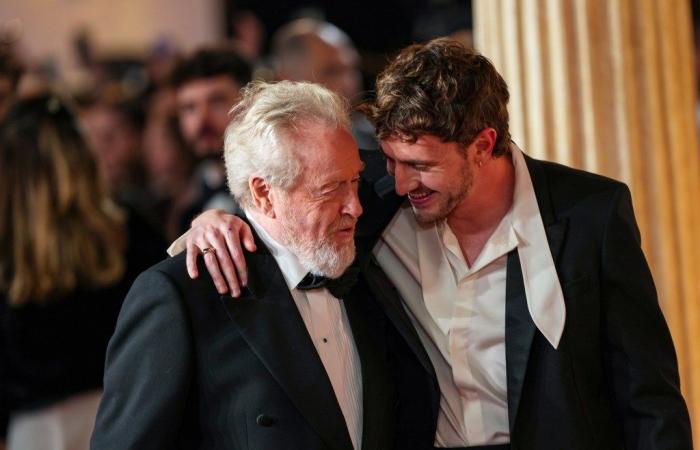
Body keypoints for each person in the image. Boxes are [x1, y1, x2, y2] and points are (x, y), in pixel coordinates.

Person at [178, 38, 692, 449]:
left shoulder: (589, 214)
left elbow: (647, 394)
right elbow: (284, 201)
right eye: (391, 160)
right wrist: (214, 218)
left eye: (421, 165)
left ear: (483, 145)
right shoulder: (377, 197)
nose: (400, 183)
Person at [91, 81, 436, 450]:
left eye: (354, 180)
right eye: (331, 188)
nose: (356, 205)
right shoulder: (182, 297)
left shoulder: (359, 251)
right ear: (263, 193)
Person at [0, 94, 165, 450]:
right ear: (81, 154)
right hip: (120, 409)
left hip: (36, 426)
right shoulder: (128, 227)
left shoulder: (7, 243)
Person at [171, 47, 252, 231]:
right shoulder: (188, 197)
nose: (202, 120)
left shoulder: (274, 186)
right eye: (189, 108)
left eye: (216, 102)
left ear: (248, 104)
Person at [270, 18, 377, 150]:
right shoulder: (265, 150)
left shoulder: (379, 144)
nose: (349, 82)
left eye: (352, 69)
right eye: (331, 71)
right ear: (287, 81)